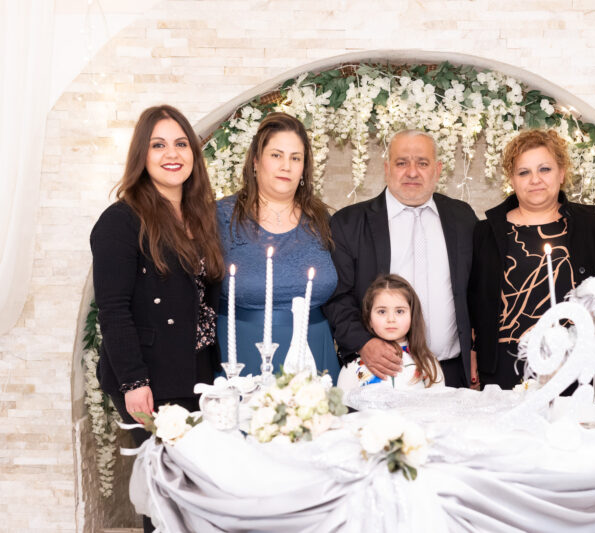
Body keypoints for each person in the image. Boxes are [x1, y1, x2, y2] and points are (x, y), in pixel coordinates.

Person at [90, 105, 225, 531]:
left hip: (198, 371)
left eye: (181, 144)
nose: (172, 154)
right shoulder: (120, 221)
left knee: (198, 493)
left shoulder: (201, 217)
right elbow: (113, 309)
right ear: (141, 156)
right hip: (148, 377)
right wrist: (133, 382)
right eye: (158, 145)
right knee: (166, 496)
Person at [324, 130, 478, 388]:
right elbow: (337, 297)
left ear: (438, 170)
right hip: (381, 373)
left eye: (422, 163)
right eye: (402, 163)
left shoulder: (462, 218)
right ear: (387, 169)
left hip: (453, 372)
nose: (412, 172)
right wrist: (364, 342)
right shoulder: (349, 223)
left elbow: (479, 291)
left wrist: (476, 348)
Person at [468, 129, 595, 390]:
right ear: (512, 179)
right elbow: (475, 299)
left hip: (571, 360)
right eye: (524, 172)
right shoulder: (486, 231)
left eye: (545, 169)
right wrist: (473, 352)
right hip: (504, 363)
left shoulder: (589, 222)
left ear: (561, 173)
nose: (535, 180)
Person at [216, 112, 340, 382]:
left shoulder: (322, 219)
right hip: (242, 351)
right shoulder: (221, 217)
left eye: (295, 158)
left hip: (315, 352)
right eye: (276, 155)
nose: (286, 166)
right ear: (256, 161)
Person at [338, 274, 444, 391]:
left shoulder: (428, 363)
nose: (391, 319)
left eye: (399, 311)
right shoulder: (353, 367)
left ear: (412, 316)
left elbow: (440, 401)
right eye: (382, 312)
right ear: (369, 319)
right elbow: (341, 402)